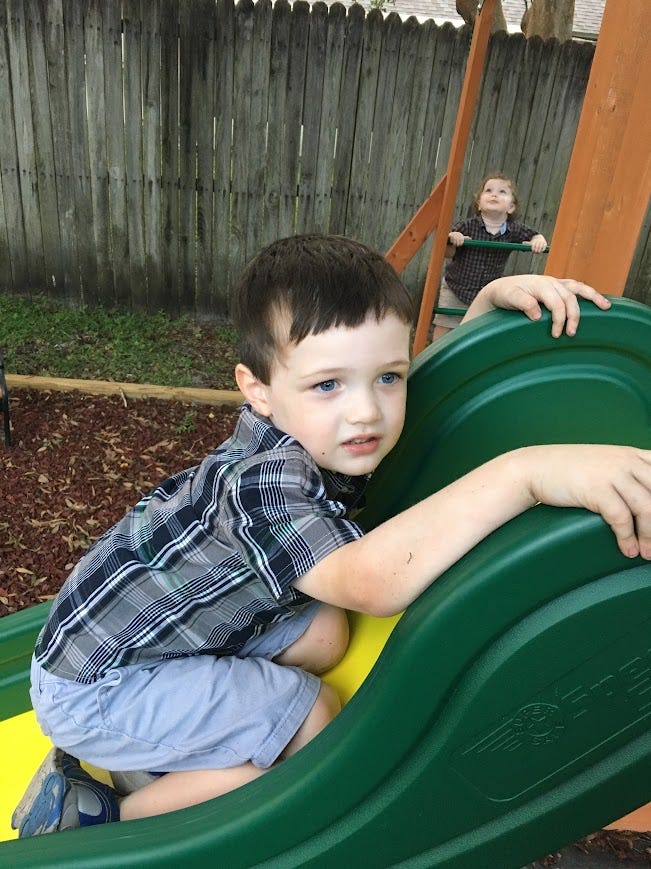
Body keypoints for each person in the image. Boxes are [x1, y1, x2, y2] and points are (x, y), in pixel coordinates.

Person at [13, 235, 651, 838]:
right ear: (256, 389)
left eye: (388, 377)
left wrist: (485, 310)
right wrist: (528, 473)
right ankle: (101, 814)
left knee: (324, 632)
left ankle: (178, 736)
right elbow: (372, 582)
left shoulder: (315, 427)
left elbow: (419, 395)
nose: (366, 410)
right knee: (310, 718)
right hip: (103, 687)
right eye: (328, 385)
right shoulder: (266, 485)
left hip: (129, 641)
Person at [432, 173, 548, 340]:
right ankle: (436, 354)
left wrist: (538, 241)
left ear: (511, 207)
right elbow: (447, 253)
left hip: (486, 293)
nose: (494, 194)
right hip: (455, 287)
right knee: (445, 324)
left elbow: (534, 236)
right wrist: (453, 239)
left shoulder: (513, 230)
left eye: (502, 192)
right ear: (479, 204)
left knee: (477, 328)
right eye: (488, 190)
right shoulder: (467, 226)